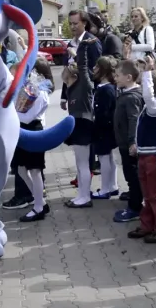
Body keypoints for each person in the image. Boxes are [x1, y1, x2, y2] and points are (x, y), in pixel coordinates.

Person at [127, 56, 156, 243]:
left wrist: (146, 73)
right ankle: (148, 225)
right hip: (144, 154)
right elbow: (141, 128)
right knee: (147, 194)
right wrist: (137, 143)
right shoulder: (149, 108)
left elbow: (147, 95)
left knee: (155, 194)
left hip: (153, 156)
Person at [11, 57, 54, 222]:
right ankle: (39, 201)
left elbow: (29, 117)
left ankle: (38, 208)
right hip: (22, 130)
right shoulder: (29, 88)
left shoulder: (41, 92)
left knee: (35, 171)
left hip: (33, 131)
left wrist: (12, 114)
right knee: (21, 169)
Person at [62, 40, 95, 208]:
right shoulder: (71, 88)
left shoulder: (83, 85)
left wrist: (81, 49)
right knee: (80, 163)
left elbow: (82, 66)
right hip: (77, 124)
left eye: (66, 72)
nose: (63, 73)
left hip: (83, 124)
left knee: (83, 164)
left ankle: (85, 197)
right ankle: (82, 194)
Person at [113, 60, 144, 222]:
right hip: (124, 143)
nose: (115, 78)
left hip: (129, 145)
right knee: (130, 175)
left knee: (133, 177)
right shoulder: (125, 94)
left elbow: (134, 120)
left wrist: (133, 142)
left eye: (118, 75)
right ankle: (134, 200)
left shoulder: (132, 98)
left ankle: (135, 208)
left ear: (129, 77)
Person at [60, 10, 102, 110]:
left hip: (87, 94)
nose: (72, 27)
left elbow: (97, 71)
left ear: (84, 23)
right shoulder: (71, 44)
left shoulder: (92, 42)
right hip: (72, 92)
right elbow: (67, 68)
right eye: (70, 24)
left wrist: (77, 60)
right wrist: (63, 97)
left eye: (75, 23)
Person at [90, 56, 119, 199]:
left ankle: (106, 188)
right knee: (108, 158)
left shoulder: (106, 90)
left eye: (97, 67)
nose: (94, 69)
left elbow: (104, 113)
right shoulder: (105, 88)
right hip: (106, 129)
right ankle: (112, 186)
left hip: (103, 129)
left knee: (104, 158)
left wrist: (97, 124)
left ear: (103, 70)